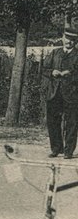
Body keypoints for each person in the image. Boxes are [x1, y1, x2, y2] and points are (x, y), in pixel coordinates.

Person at [41, 27, 78, 159]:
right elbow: (44, 69)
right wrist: (52, 72)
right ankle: (56, 148)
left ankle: (68, 151)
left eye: (73, 40)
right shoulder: (54, 53)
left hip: (72, 94)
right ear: (62, 38)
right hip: (54, 92)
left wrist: (71, 74)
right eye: (68, 39)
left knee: (72, 123)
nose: (70, 42)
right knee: (52, 121)